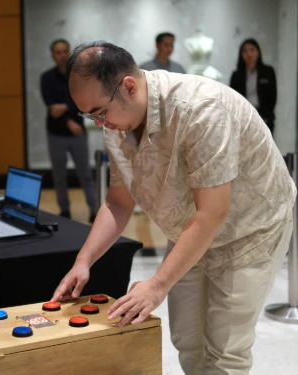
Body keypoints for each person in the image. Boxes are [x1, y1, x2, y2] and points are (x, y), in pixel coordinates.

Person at [51, 41, 295, 375]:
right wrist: (84, 261)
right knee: (188, 338)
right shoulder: (116, 121)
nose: (97, 123)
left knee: (225, 350)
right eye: (87, 114)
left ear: (129, 87)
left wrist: (157, 284)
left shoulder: (202, 109)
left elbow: (212, 214)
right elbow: (119, 201)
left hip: (249, 231)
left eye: (99, 112)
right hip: (189, 228)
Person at [41, 39, 97, 223]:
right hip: (56, 134)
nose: (62, 55)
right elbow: (52, 108)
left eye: (65, 51)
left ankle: (94, 211)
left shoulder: (79, 76)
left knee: (85, 175)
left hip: (78, 133)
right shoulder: (47, 78)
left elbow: (85, 102)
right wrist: (69, 117)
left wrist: (65, 107)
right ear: (52, 55)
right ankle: (64, 211)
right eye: (58, 52)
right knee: (59, 177)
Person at [230, 38, 277, 134]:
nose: (249, 54)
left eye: (252, 50)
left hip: (264, 119)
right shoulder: (236, 75)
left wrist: (263, 117)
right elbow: (233, 98)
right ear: (241, 55)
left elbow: (272, 96)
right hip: (243, 119)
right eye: (245, 51)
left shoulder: (268, 72)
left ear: (258, 52)